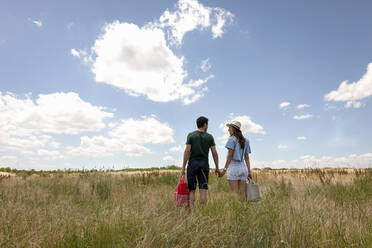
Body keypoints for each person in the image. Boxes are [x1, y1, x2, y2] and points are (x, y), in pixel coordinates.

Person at [181, 116, 220, 208]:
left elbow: (187, 151)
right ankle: (202, 212)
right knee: (203, 189)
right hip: (204, 164)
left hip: (193, 164)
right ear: (205, 124)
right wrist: (217, 167)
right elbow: (214, 153)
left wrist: (183, 168)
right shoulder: (209, 137)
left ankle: (192, 213)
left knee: (192, 189)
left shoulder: (191, 135)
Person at [219, 120, 252, 201]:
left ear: (233, 129)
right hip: (243, 168)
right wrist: (249, 171)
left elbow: (229, 156)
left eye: (229, 128)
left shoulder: (232, 139)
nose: (228, 130)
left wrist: (224, 170)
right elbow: (247, 157)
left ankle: (235, 211)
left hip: (233, 168)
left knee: (234, 193)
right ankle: (243, 212)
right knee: (243, 194)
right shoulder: (246, 141)